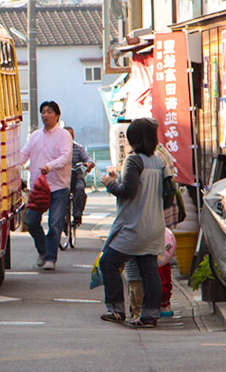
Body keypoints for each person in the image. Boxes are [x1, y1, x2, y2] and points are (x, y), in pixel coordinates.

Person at [97, 117, 166, 328]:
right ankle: (150, 315)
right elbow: (168, 195)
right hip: (155, 225)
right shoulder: (159, 161)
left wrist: (110, 183)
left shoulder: (134, 160)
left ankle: (116, 310)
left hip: (134, 226)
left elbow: (128, 191)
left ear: (133, 138)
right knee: (149, 269)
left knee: (108, 262)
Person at [16, 101, 72, 271]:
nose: (45, 115)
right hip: (38, 186)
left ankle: (50, 258)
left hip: (58, 186)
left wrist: (50, 166)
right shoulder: (35, 136)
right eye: (43, 112)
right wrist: (10, 165)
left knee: (55, 223)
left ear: (57, 115)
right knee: (32, 221)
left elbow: (66, 157)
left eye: (49, 112)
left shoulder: (64, 135)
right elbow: (24, 154)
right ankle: (43, 251)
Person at [64, 126, 95, 226]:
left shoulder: (78, 148)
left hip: (76, 174)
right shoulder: (57, 148)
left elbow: (88, 158)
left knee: (80, 189)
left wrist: (89, 164)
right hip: (62, 176)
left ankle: (77, 215)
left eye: (71, 135)